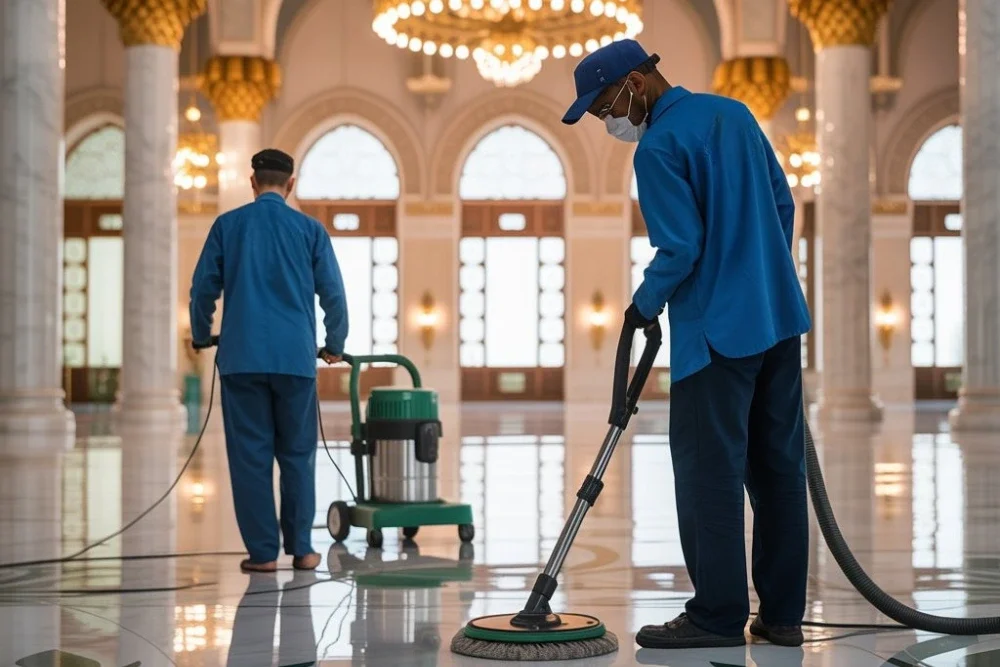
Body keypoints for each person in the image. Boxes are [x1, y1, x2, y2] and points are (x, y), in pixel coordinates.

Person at [562, 40, 812, 649]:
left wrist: (640, 307)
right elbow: (784, 206)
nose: (607, 121)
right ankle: (781, 618)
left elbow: (679, 249)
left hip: (715, 336)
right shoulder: (736, 114)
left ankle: (717, 616)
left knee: (710, 475)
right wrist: (758, 268)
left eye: (603, 108)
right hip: (778, 320)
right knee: (780, 469)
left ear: (636, 84)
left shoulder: (659, 147)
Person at [189, 148, 348, 573]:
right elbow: (332, 292)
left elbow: (203, 288)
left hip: (241, 360)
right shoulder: (309, 230)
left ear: (253, 182)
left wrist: (203, 333)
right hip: (295, 360)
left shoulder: (228, 225)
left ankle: (262, 554)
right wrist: (335, 342)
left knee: (250, 458)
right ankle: (302, 550)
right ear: (291, 184)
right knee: (297, 455)